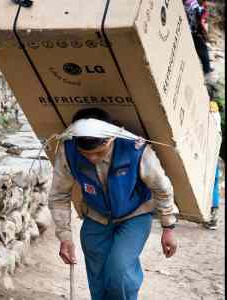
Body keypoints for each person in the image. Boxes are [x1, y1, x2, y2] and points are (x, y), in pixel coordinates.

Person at [48, 107, 178, 300]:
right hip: (96, 217)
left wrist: (168, 227)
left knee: (120, 272)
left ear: (111, 139)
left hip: (135, 215)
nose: (92, 158)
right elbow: (59, 195)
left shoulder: (136, 149)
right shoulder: (68, 151)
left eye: (99, 152)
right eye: (85, 154)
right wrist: (65, 237)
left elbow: (162, 187)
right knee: (98, 279)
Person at [183, 0, 215, 83]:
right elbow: (198, 13)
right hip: (191, 29)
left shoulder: (193, 4)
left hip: (192, 28)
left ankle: (206, 70)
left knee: (200, 47)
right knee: (201, 47)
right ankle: (206, 72)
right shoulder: (191, 4)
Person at [204, 100, 222, 230]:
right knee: (214, 183)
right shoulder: (216, 112)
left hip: (207, 152)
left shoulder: (207, 107)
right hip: (214, 152)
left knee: (210, 182)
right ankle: (213, 216)